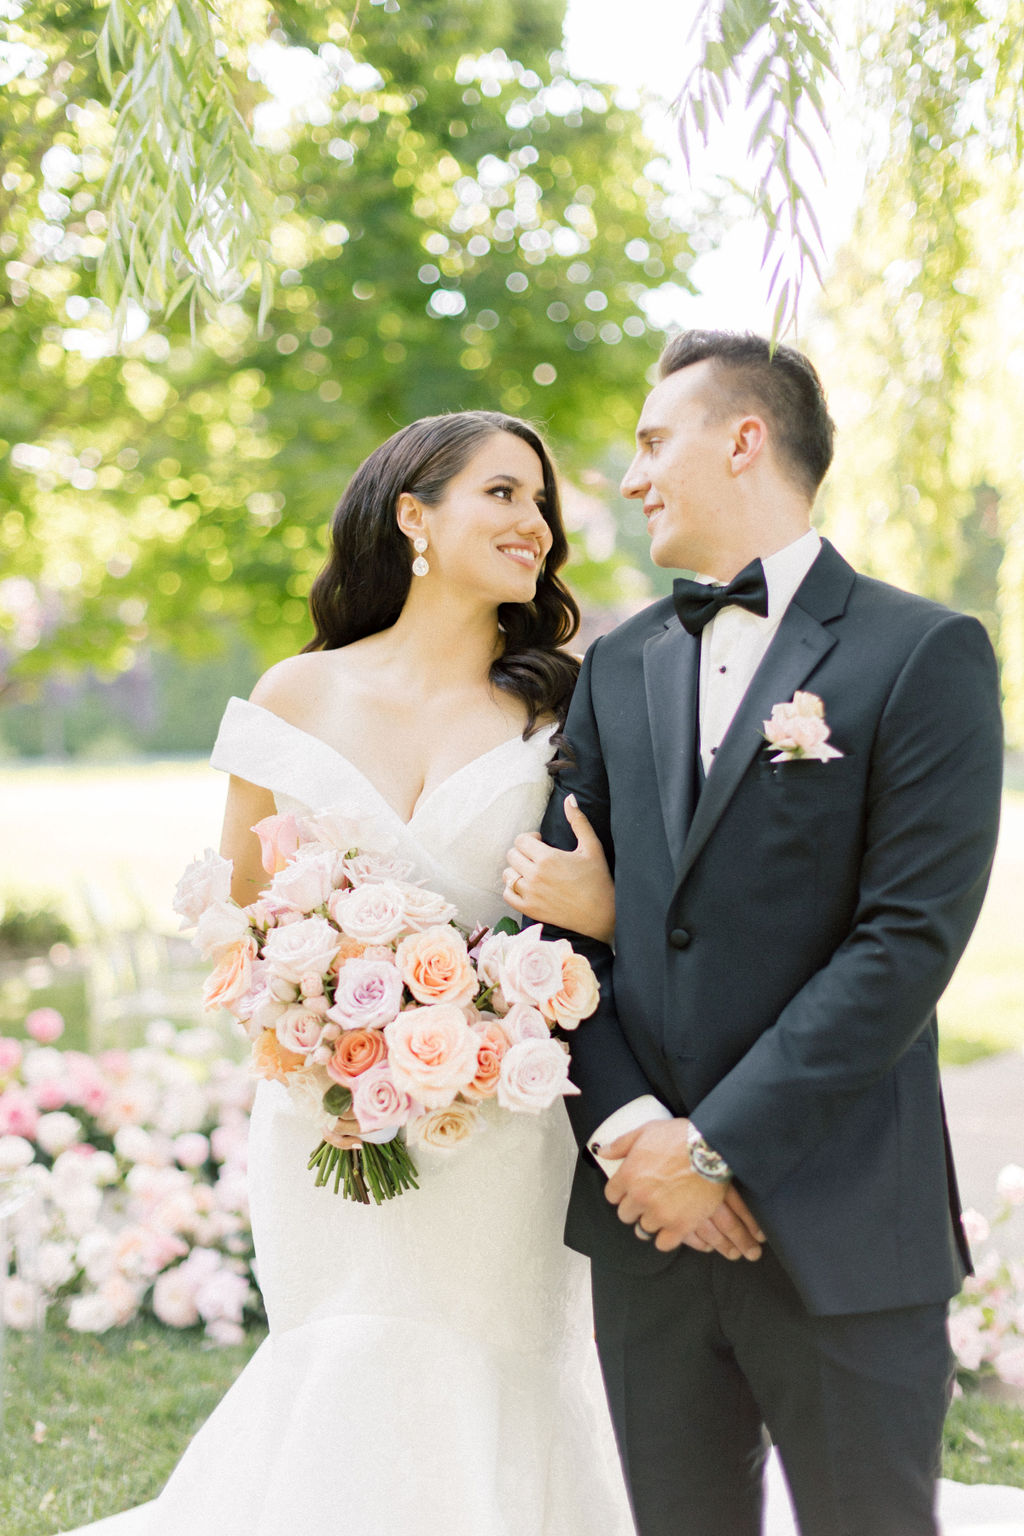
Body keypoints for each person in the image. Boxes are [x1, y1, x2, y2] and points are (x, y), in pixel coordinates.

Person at [60, 411, 634, 1536]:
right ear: (413, 516)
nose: (537, 525)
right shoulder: (294, 696)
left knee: (494, 1361)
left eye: (542, 504)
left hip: (503, 1129)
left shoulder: (567, 705)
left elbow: (617, 912)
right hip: (324, 1115)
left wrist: (586, 924)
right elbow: (235, 916)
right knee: (344, 1347)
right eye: (503, 495)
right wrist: (312, 1026)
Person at [503, 330, 1012, 1536]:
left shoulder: (921, 652)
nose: (629, 479)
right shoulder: (617, 664)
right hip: (647, 1237)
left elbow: (903, 945)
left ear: (743, 439)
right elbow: (551, 924)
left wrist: (714, 1150)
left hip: (840, 1229)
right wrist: (638, 1139)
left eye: (650, 440)